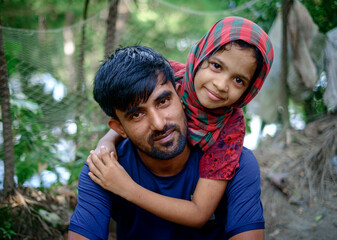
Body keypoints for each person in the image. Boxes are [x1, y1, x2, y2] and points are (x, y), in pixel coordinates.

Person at [88, 16, 274, 228]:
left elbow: (199, 212)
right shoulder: (170, 78)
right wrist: (107, 142)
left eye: (239, 80)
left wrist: (127, 188)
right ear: (200, 58)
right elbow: (130, 115)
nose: (221, 85)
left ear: (249, 91)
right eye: (216, 66)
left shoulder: (229, 131)